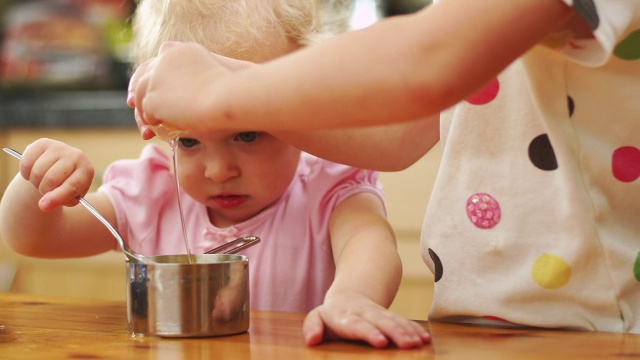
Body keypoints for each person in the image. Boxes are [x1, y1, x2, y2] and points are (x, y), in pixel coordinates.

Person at [128, 0, 640, 334]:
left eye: (245, 137)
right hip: (485, 321)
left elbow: (426, 65)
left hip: (594, 326)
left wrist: (221, 92)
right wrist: (229, 85)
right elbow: (400, 130)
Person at [0, 0, 430, 348]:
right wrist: (37, 179)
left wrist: (353, 298)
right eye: (188, 142)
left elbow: (369, 241)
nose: (219, 170)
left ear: (303, 104)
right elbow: (35, 238)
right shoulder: (153, 188)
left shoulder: (327, 180)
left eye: (248, 134)